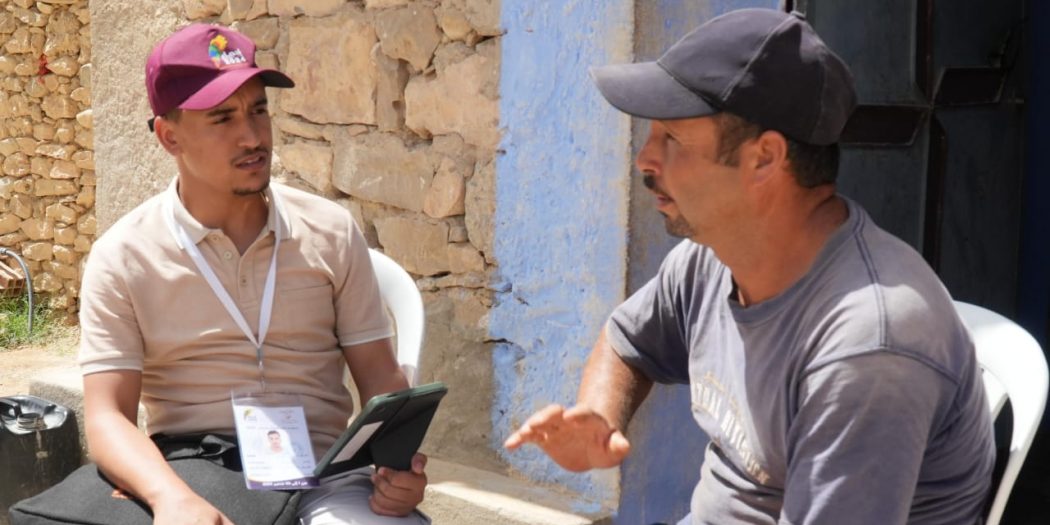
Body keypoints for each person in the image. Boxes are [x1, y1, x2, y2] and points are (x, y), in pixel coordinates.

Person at [504, 9, 994, 525]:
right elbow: (627, 341)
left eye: (673, 139)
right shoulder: (712, 258)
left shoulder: (868, 347)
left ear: (764, 158)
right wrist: (600, 418)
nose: (645, 159)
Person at [78, 24, 428, 524]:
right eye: (223, 118)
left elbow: (380, 378)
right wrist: (168, 497)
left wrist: (399, 468)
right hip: (196, 472)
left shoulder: (330, 230)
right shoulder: (122, 256)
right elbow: (107, 416)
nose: (252, 136)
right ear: (169, 136)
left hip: (326, 478)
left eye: (258, 110)